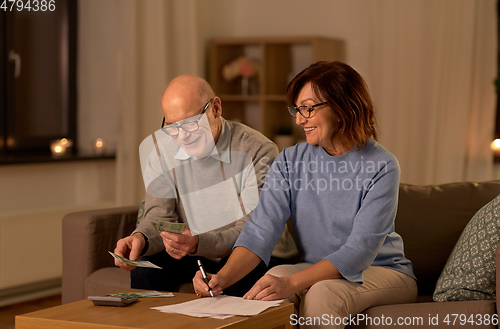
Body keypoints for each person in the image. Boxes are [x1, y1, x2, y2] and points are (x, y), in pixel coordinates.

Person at [193, 61, 417, 328]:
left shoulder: (382, 165)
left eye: (308, 108)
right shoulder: (290, 161)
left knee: (323, 293)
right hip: (316, 268)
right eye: (297, 110)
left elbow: (359, 251)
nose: (300, 119)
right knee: (266, 285)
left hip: (382, 271)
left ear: (343, 105)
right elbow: (260, 230)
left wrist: (290, 283)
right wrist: (222, 277)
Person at [113, 74, 284, 296]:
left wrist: (197, 243)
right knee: (147, 267)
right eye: (172, 127)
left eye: (191, 123)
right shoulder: (162, 151)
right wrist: (140, 239)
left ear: (216, 108)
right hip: (195, 252)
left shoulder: (258, 150)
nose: (182, 136)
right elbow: (159, 217)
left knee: (243, 275)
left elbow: (251, 231)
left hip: (250, 252)